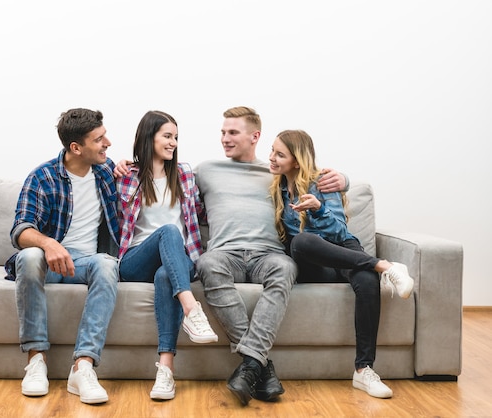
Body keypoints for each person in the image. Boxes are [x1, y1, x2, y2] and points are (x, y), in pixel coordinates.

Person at [194, 106, 348, 406]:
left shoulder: (276, 170)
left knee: (286, 267)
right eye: (223, 132)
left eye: (233, 133)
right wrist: (124, 165)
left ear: (255, 136)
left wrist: (345, 178)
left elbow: (315, 177)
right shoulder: (207, 169)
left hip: (268, 254)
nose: (225, 139)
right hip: (226, 254)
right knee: (206, 263)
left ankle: (250, 364)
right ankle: (260, 365)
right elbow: (162, 172)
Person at [267, 129, 415, 399]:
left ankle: (363, 371)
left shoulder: (322, 183)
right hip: (315, 263)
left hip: (343, 251)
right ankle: (383, 265)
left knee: (367, 281)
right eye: (272, 151)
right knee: (301, 242)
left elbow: (338, 233)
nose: (272, 158)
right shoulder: (277, 187)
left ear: (297, 161)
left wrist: (318, 209)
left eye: (279, 154)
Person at [6, 108, 120, 404]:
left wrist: (130, 168)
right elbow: (20, 229)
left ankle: (83, 367)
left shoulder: (106, 174)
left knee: (108, 264)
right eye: (99, 139)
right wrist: (49, 245)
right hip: (50, 264)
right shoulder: (42, 177)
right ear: (76, 148)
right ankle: (36, 361)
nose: (107, 142)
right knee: (29, 257)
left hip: (85, 264)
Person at [116, 110, 218, 401]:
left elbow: (202, 213)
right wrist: (116, 165)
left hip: (176, 260)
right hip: (137, 259)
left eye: (175, 137)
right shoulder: (126, 177)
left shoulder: (184, 174)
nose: (173, 143)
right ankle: (191, 309)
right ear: (149, 137)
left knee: (166, 274)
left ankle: (165, 371)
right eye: (167, 136)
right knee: (168, 232)